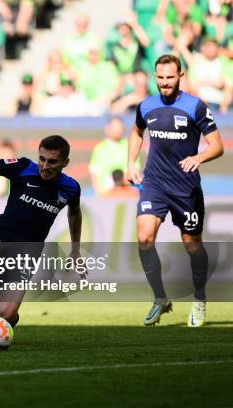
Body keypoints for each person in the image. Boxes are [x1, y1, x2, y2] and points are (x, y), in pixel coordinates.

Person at [127, 54, 224, 327]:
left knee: (192, 247)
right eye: (160, 78)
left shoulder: (195, 107)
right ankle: (160, 298)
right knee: (144, 238)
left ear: (180, 76)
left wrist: (199, 157)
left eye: (170, 78)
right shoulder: (146, 106)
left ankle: (200, 299)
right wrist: (130, 162)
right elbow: (136, 133)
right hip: (154, 184)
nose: (165, 83)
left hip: (185, 188)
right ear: (154, 76)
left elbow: (218, 145)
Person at [0, 135, 82, 328]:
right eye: (42, 159)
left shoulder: (71, 188)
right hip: (1, 234)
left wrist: (75, 249)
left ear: (65, 162)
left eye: (52, 161)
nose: (45, 166)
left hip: (27, 251)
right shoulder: (22, 167)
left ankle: (11, 319)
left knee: (4, 313)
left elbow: (75, 213)